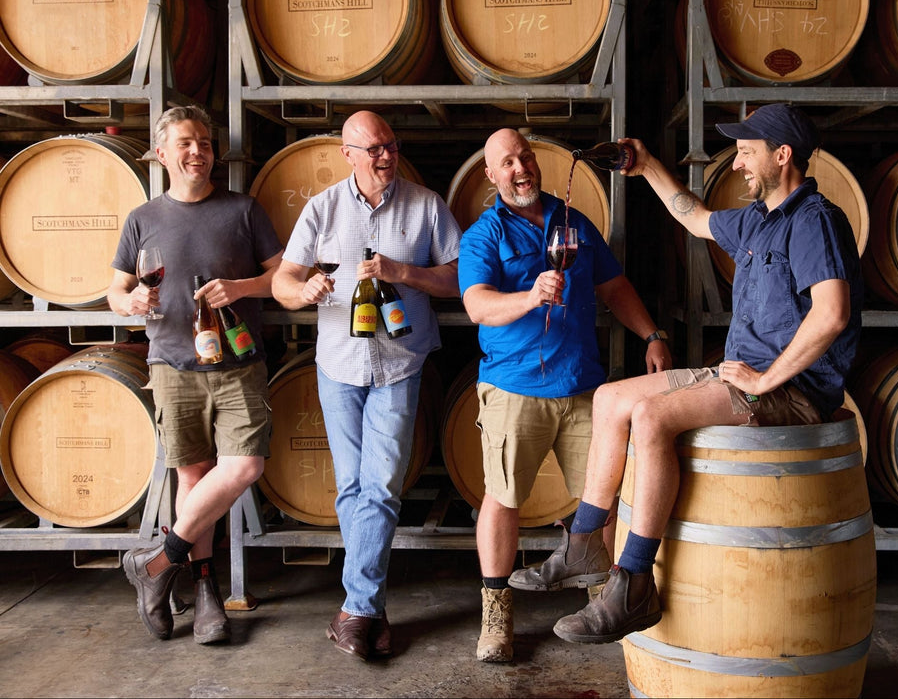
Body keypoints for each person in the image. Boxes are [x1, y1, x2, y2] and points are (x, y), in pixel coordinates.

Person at [513, 102, 864, 644]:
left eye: (746, 152)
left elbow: (832, 314)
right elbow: (693, 216)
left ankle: (633, 584)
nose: (738, 163)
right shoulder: (757, 219)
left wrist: (766, 381)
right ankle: (583, 545)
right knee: (610, 399)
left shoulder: (815, 222)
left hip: (791, 391)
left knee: (652, 417)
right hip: (737, 375)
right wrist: (647, 165)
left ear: (782, 155)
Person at [458, 128, 672, 663]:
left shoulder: (573, 220)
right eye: (508, 162)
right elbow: (478, 305)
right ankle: (496, 614)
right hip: (513, 387)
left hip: (582, 387)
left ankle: (607, 601)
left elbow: (613, 286)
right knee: (503, 499)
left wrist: (651, 334)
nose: (520, 168)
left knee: (604, 502)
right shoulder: (484, 234)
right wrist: (529, 296)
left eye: (526, 157)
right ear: (491, 174)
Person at [271, 111, 461, 661]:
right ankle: (367, 609)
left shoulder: (426, 206)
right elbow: (283, 281)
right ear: (347, 154)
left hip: (400, 363)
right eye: (373, 149)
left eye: (391, 146)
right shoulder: (322, 208)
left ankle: (356, 608)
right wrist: (302, 292)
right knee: (351, 487)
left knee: (380, 487)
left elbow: (457, 278)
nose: (385, 157)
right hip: (338, 364)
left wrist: (404, 273)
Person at [108, 105, 284, 645]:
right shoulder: (142, 219)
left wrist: (241, 287)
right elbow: (116, 291)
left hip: (239, 364)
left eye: (204, 143)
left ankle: (158, 563)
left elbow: (281, 277)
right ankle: (206, 590)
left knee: (245, 465)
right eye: (185, 143)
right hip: (172, 364)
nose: (197, 152)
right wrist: (131, 301)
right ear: (161, 153)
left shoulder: (243, 210)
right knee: (192, 478)